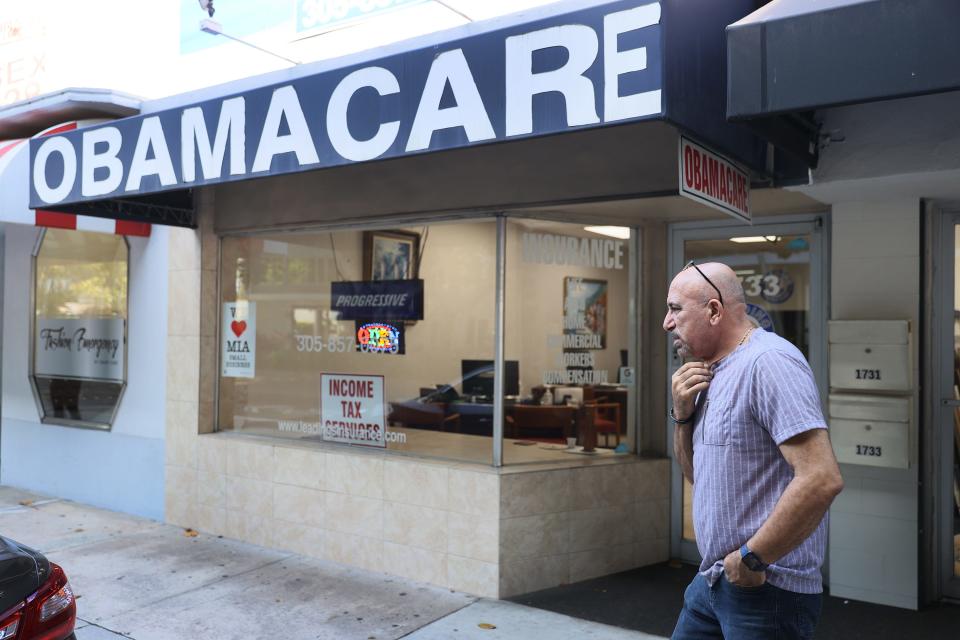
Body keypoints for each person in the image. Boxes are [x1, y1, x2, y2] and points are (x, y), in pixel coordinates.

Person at [664, 261, 843, 640]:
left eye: (676, 309)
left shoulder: (769, 363)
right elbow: (698, 476)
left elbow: (821, 478)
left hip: (766, 587)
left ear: (714, 310)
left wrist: (750, 559)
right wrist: (682, 417)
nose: (667, 322)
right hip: (712, 581)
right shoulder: (711, 371)